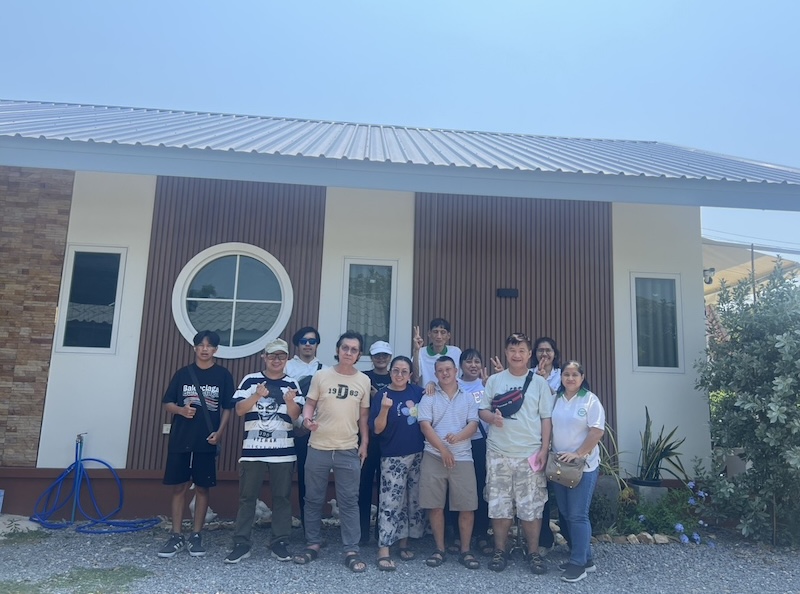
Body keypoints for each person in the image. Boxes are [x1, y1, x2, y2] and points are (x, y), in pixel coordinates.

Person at [293, 331, 371, 573]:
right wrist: (307, 421)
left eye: (354, 349)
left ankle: (351, 549)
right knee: (313, 499)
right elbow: (310, 404)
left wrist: (364, 443)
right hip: (318, 446)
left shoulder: (363, 381)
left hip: (348, 448)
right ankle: (313, 544)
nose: (348, 352)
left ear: (359, 355)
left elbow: (364, 416)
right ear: (337, 349)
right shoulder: (321, 375)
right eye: (345, 347)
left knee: (349, 501)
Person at [479, 332, 554, 575]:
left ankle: (533, 553)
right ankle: (500, 550)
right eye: (512, 350)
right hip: (498, 452)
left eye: (522, 350)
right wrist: (492, 417)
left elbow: (546, 418)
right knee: (499, 506)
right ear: (506, 352)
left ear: (529, 354)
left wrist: (544, 449)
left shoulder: (540, 383)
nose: (517, 354)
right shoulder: (495, 381)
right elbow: (483, 411)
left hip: (529, 454)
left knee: (531, 507)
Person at [224, 339, 303, 564]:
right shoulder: (250, 380)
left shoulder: (292, 383)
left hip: (284, 451)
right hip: (253, 450)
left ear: (287, 358)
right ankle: (241, 543)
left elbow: (296, 416)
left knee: (282, 498)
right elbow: (239, 410)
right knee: (247, 498)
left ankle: (279, 541)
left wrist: (289, 402)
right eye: (272, 355)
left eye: (281, 356)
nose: (276, 360)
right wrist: (257, 396)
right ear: (264, 357)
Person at [158, 330, 234, 558]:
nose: (204, 349)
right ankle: (176, 535)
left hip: (206, 439)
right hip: (181, 438)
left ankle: (197, 535)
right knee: (179, 486)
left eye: (209, 346)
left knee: (202, 487)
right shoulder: (183, 374)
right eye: (200, 345)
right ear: (194, 348)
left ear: (216, 350)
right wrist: (181, 410)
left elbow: (228, 407)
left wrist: (219, 432)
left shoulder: (222, 375)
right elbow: (167, 402)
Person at [417, 356, 480, 570]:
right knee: (435, 505)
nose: (445, 373)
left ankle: (465, 550)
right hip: (434, 455)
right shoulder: (429, 397)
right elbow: (425, 426)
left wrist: (459, 437)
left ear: (456, 371)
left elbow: (474, 424)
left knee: (467, 506)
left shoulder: (468, 398)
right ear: (436, 374)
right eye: (440, 371)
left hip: (462, 456)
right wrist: (443, 449)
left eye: (448, 369)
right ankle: (440, 549)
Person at [369, 355, 426, 571]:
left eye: (404, 371)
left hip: (418, 454)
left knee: (411, 501)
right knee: (390, 502)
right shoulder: (383, 395)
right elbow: (377, 429)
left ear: (410, 375)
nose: (400, 375)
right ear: (390, 372)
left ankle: (404, 542)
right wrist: (384, 408)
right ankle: (383, 548)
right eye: (396, 370)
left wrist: (429, 385)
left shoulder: (417, 393)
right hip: (393, 456)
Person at [551, 360, 605, 584]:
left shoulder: (591, 400)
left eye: (575, 374)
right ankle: (586, 559)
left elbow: (597, 431)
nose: (570, 378)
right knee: (565, 512)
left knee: (577, 515)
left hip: (583, 466)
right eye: (566, 374)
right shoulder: (556, 398)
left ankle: (577, 565)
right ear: (561, 377)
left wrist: (580, 453)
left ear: (582, 377)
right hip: (559, 465)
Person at [284, 326, 327, 527]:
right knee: (282, 479)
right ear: (297, 344)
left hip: (312, 431)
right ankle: (281, 528)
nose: (308, 345)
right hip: (286, 430)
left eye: (312, 341)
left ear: (317, 344)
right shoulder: (286, 367)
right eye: (304, 341)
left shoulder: (326, 370)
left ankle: (308, 527)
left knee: (309, 480)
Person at [458, 348, 492, 556]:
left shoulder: (488, 384)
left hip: (481, 443)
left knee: (481, 487)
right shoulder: (454, 384)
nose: (473, 365)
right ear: (460, 365)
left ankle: (481, 533)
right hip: (459, 443)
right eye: (468, 362)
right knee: (458, 488)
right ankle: (455, 533)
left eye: (477, 362)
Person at [359, 340, 393, 545]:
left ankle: (383, 533)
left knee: (386, 488)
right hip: (366, 439)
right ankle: (362, 533)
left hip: (390, 440)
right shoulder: (363, 378)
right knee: (362, 486)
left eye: (384, 355)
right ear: (371, 357)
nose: (381, 358)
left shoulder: (396, 376)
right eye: (377, 355)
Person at [532, 336, 563, 552]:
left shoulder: (564, 375)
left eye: (548, 350)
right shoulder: (528, 376)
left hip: (561, 443)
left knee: (563, 492)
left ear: (555, 353)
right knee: (540, 494)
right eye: (541, 350)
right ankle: (543, 540)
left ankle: (572, 541)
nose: (544, 354)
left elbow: (563, 403)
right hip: (536, 442)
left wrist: (545, 384)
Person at [413, 318, 462, 387]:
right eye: (435, 332)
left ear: (448, 335)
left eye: (443, 332)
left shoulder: (456, 352)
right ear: (429, 334)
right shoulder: (421, 352)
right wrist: (416, 350)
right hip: (428, 394)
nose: (439, 336)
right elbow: (415, 378)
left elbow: (462, 377)